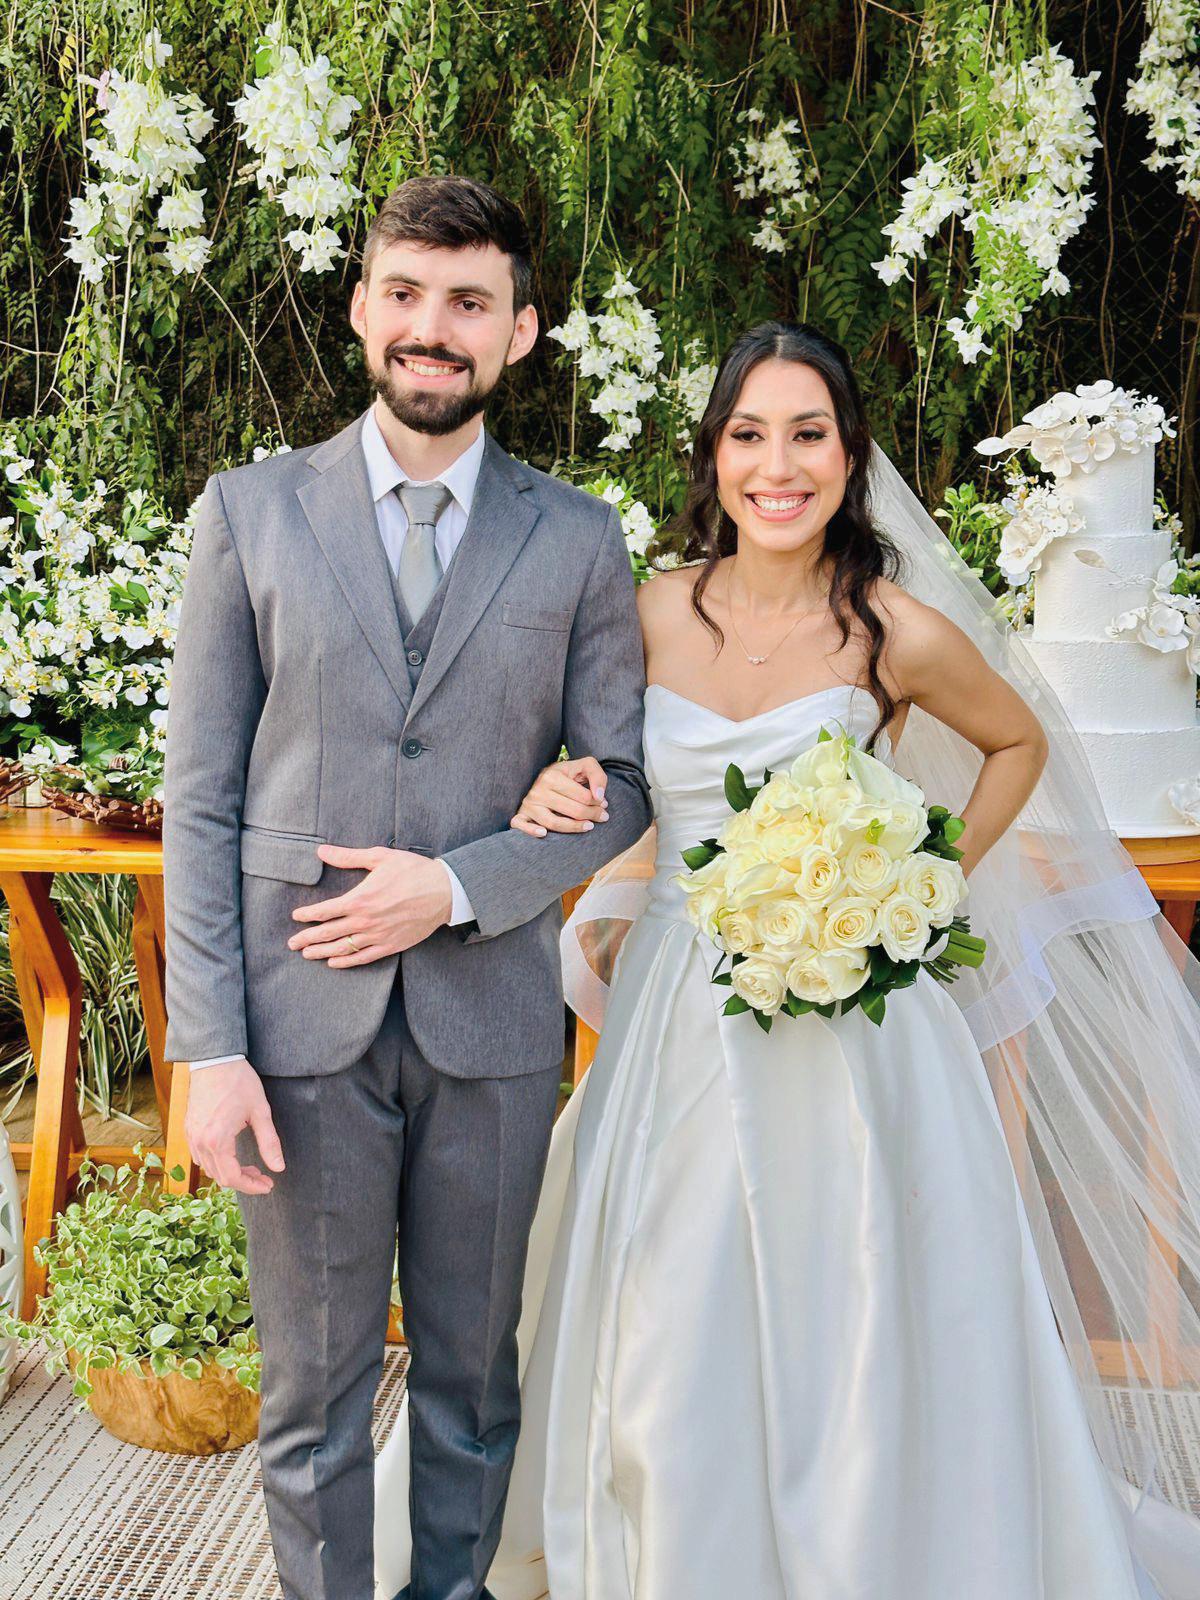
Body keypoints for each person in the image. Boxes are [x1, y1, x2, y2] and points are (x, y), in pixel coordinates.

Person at [376, 320, 1200, 1599]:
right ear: (712, 458)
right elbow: (575, 759)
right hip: (682, 1013)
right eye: (750, 434)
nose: (780, 464)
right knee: (670, 1297)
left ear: (850, 453)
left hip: (861, 1028)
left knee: (868, 1291)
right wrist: (551, 787)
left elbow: (1020, 747)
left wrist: (918, 881)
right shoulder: (644, 612)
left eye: (808, 434)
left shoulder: (894, 629)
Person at [162, 173, 652, 1600]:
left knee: (469, 1386)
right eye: (408, 294)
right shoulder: (249, 515)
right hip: (293, 1024)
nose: (433, 329)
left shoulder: (578, 539)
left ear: (521, 332)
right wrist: (208, 1049)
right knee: (309, 1395)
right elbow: (199, 798)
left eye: (469, 304)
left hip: (492, 1024)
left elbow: (617, 783)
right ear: (364, 303)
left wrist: (454, 885)